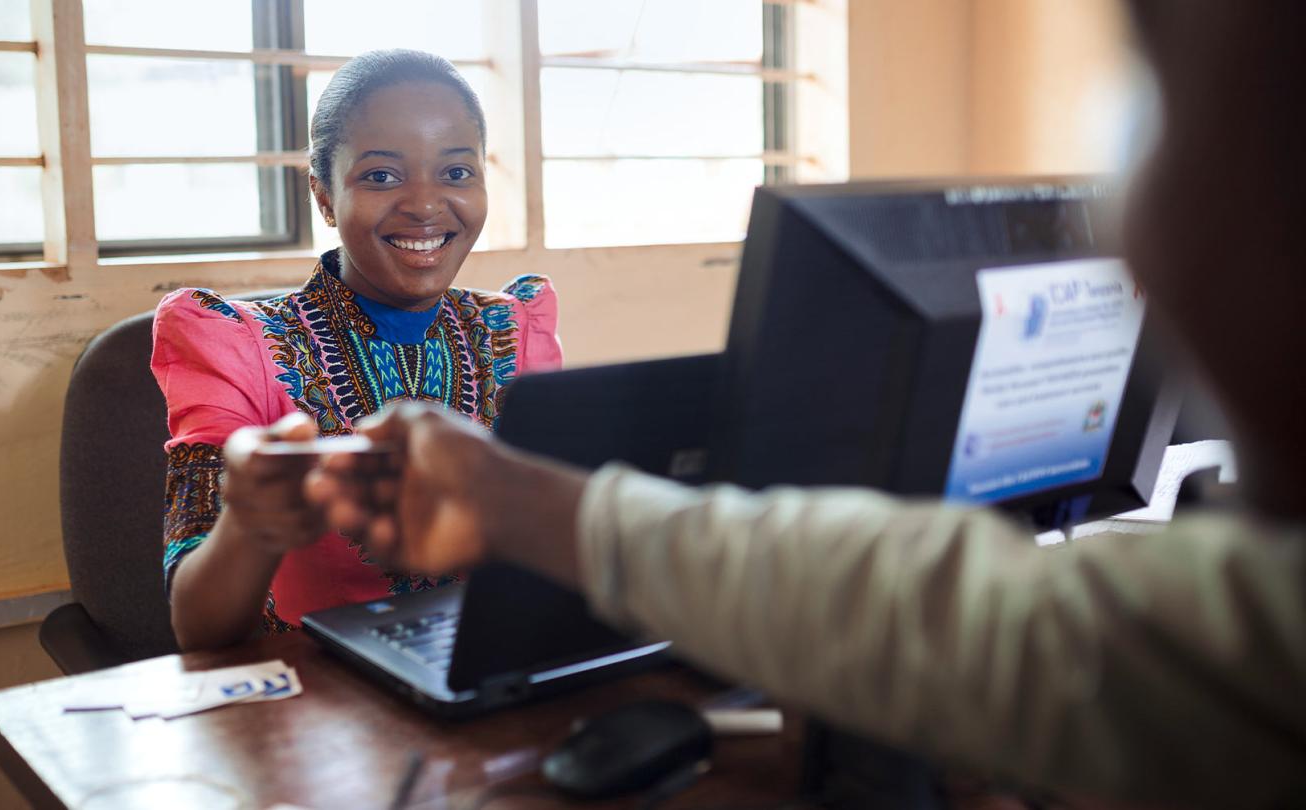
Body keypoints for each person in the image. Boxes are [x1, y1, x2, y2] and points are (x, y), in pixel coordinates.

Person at [299, 3, 1305, 808]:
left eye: (1165, 106)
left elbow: (983, 623)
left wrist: (520, 502)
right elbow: (991, 622)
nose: (1130, 230)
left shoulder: (509, 324)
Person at [150, 49, 562, 651]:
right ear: (323, 195)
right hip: (318, 707)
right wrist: (250, 523)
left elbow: (551, 550)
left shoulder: (516, 326)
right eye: (380, 176)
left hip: (486, 675)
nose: (425, 205)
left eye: (455, 173)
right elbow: (199, 627)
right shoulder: (231, 343)